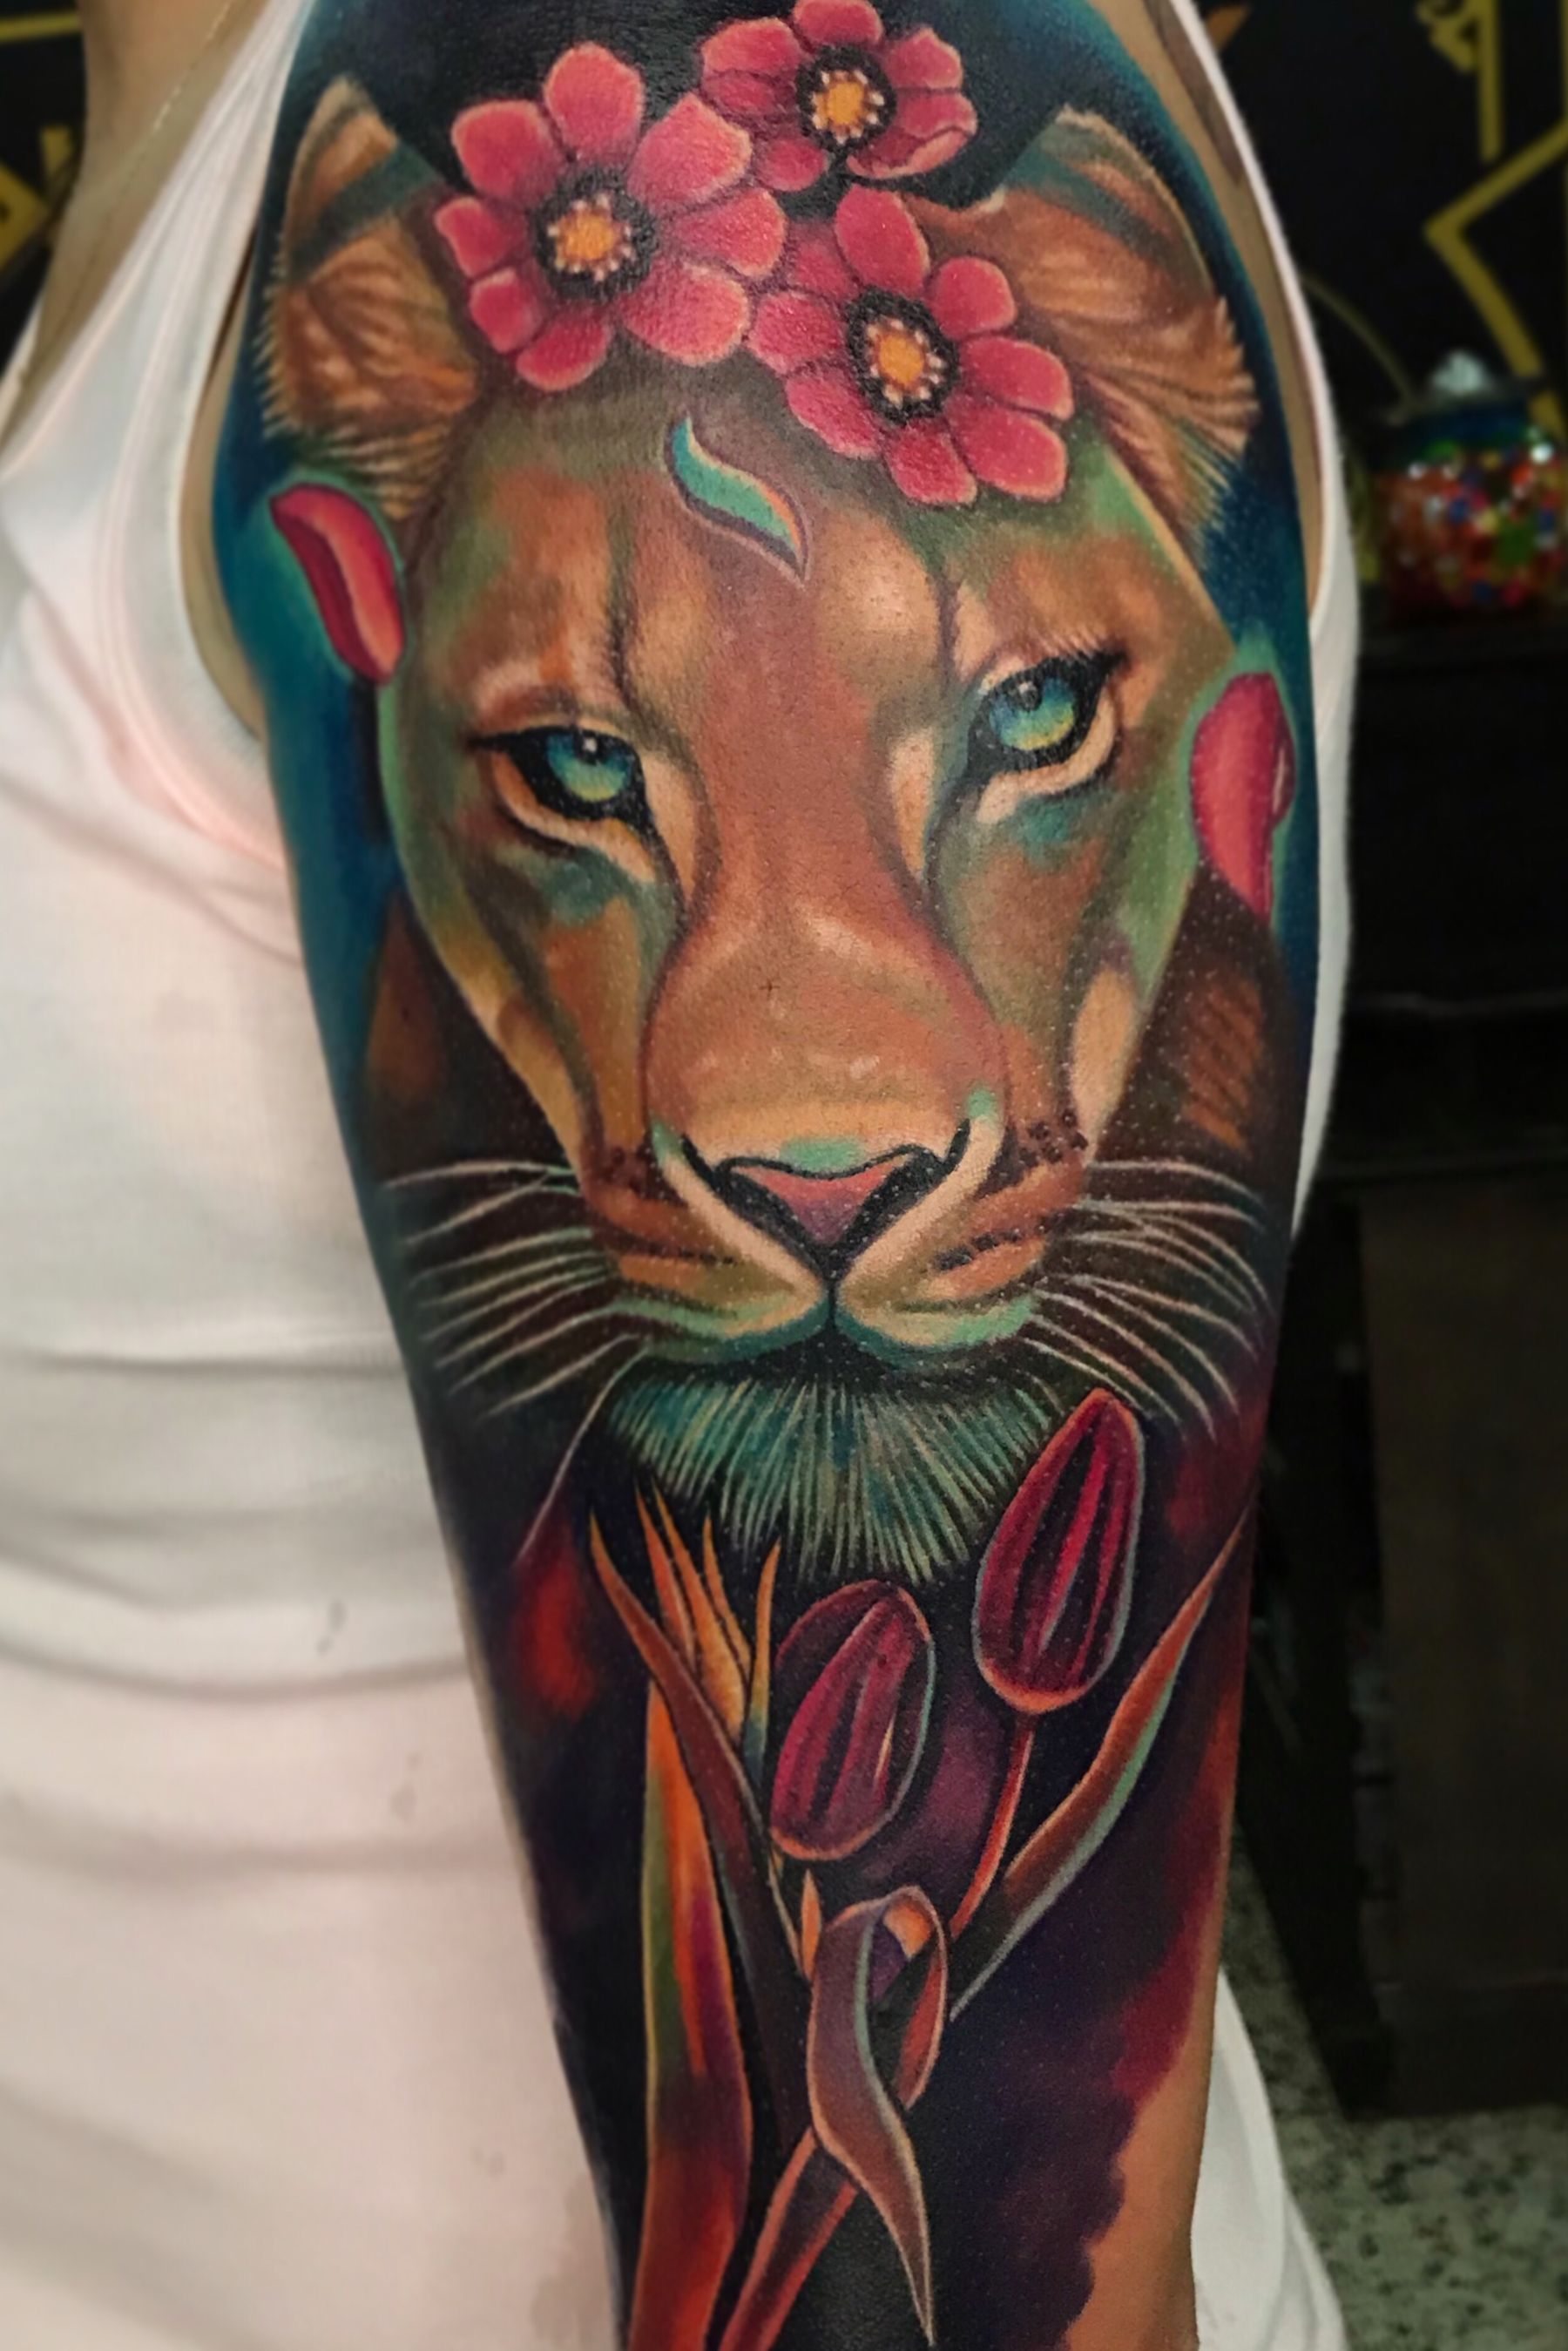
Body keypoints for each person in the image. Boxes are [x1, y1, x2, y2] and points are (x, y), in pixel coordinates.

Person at [0, 1, 1355, 2344]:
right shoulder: (241, 128)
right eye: (573, 767)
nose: (812, 1126)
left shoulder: (650, 76)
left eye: (1034, 721)